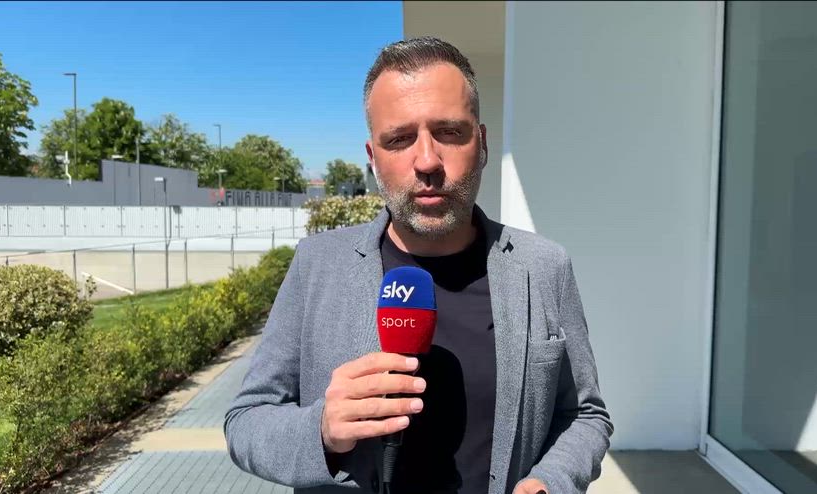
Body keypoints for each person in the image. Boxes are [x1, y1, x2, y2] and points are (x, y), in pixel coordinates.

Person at [225, 37, 612, 494]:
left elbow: (585, 415)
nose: (427, 161)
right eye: (399, 139)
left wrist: (552, 480)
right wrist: (322, 429)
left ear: (482, 144)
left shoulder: (544, 267)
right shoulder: (317, 265)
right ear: (373, 158)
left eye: (449, 132)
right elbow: (245, 422)